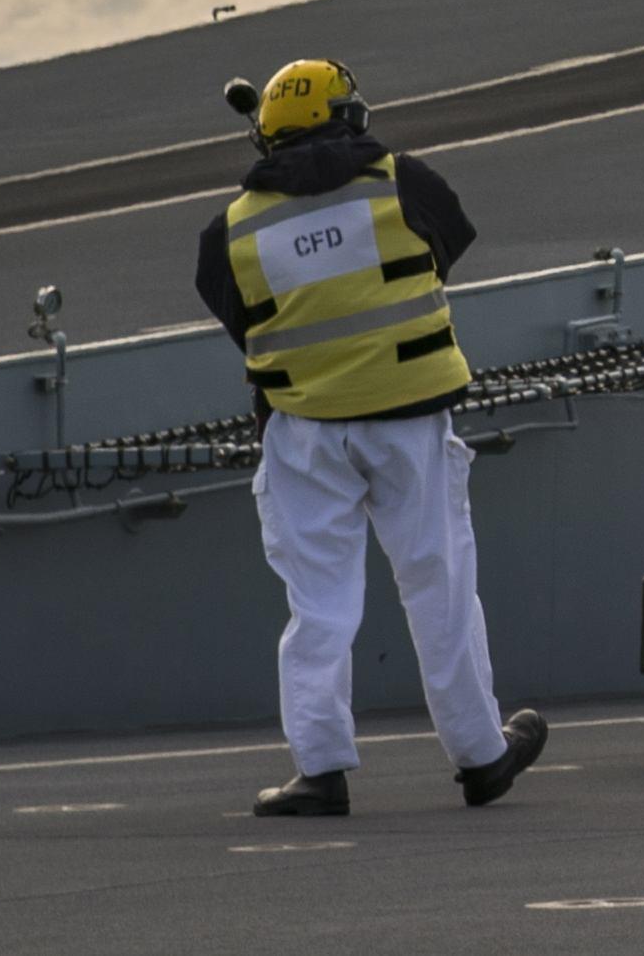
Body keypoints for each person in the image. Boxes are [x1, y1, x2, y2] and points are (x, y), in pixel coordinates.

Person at [190, 59, 545, 818]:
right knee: (440, 587)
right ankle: (482, 756)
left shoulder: (231, 228)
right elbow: (446, 245)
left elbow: (239, 320)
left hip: (305, 433)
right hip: (410, 418)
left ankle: (319, 772)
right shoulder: (402, 182)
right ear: (349, 116)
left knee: (318, 605)